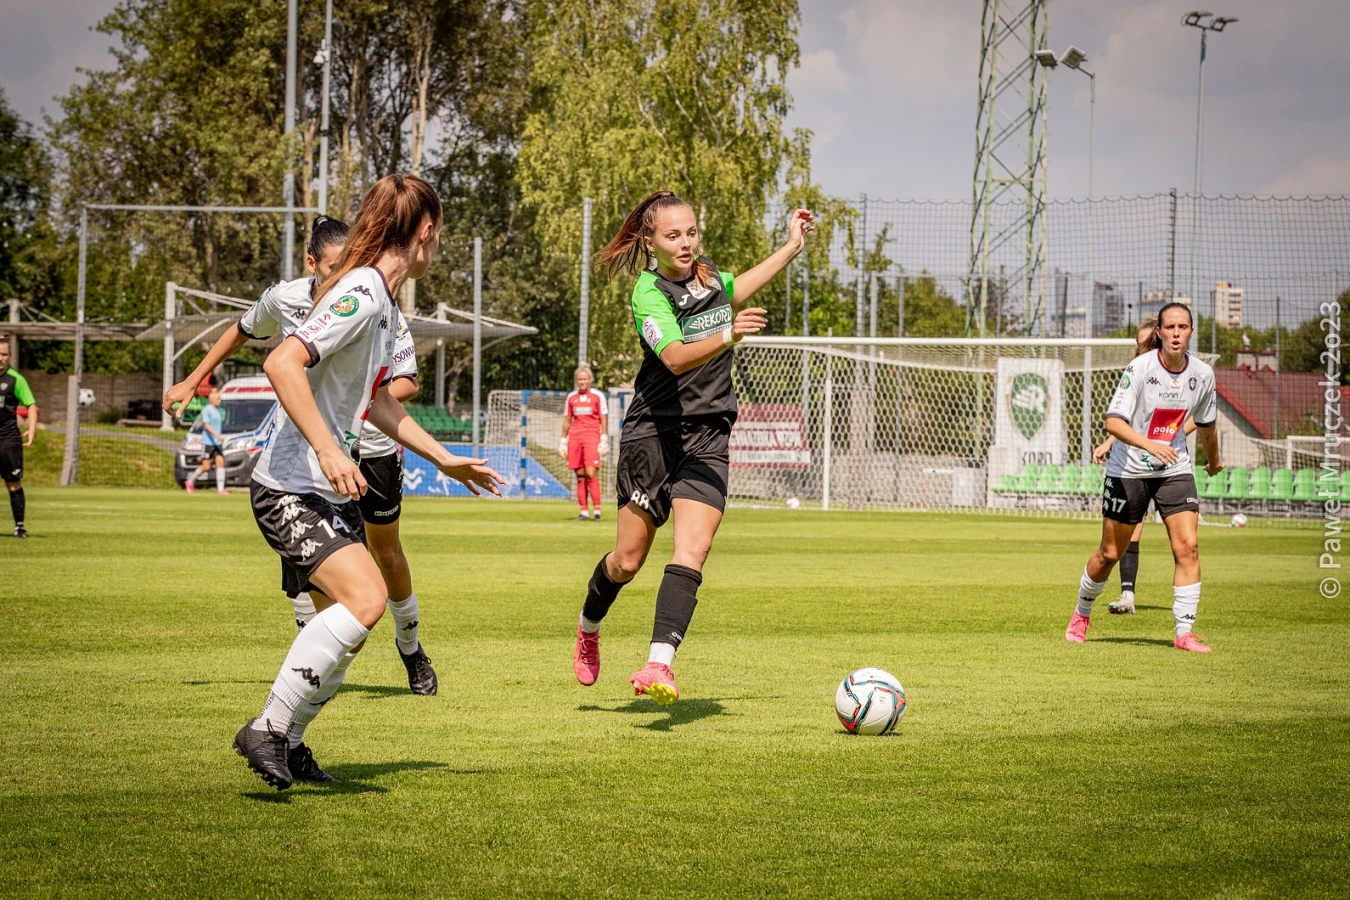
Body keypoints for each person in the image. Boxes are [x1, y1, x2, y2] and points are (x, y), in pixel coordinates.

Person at [231, 174, 504, 790]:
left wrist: (444, 458)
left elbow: (378, 399)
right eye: (439, 233)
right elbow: (281, 361)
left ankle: (289, 742)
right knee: (366, 600)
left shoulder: (381, 298)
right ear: (426, 232)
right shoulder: (362, 290)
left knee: (352, 624)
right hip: (290, 486)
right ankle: (267, 729)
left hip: (322, 491)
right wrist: (329, 449)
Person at [166, 217, 439, 697]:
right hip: (310, 456)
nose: (342, 275)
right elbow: (244, 332)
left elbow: (401, 385)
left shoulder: (375, 301)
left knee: (385, 559)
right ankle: (298, 689)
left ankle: (410, 648)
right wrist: (193, 379)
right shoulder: (286, 298)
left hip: (370, 450)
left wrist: (357, 404)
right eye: (333, 266)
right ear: (311, 263)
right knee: (331, 589)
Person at [571, 191, 815, 703]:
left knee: (693, 550)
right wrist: (729, 335)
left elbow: (741, 285)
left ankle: (658, 664)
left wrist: (792, 246)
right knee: (627, 562)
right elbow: (676, 357)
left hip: (708, 435)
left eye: (691, 232)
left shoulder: (709, 277)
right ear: (650, 242)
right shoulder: (648, 293)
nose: (686, 243)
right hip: (653, 435)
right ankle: (589, 625)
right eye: (673, 235)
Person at [1066, 302, 1222, 653]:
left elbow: (1207, 426)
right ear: (1160, 332)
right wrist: (1150, 445)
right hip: (1129, 470)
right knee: (1109, 553)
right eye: (1170, 327)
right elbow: (1113, 422)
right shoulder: (1140, 367)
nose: (1177, 333)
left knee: (1188, 547)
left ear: (1191, 331)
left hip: (1174, 469)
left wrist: (1213, 462)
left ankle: (1184, 633)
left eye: (1183, 327)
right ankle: (1082, 612)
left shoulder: (1203, 374)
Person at [1090, 321, 1198, 615]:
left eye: (1146, 342)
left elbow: (1198, 417)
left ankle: (1185, 622)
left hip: (1168, 467)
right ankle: (1127, 595)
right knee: (1125, 538)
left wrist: (1170, 438)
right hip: (1132, 467)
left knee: (1186, 545)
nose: (1142, 348)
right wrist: (1110, 442)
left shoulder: (1185, 377)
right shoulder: (1137, 373)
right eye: (1139, 343)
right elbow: (1127, 421)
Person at [559, 364, 609, 521]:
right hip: (575, 438)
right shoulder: (571, 397)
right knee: (580, 475)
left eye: (585, 379)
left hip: (592, 437)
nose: (582, 382)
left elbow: (603, 418)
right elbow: (568, 419)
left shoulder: (598, 396)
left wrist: (604, 438)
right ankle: (584, 511)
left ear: (590, 380)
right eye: (580, 379)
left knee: (591, 473)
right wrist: (562, 440)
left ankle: (597, 510)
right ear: (576, 381)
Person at [0, 340, 37, 538]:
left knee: (13, 482)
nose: (0, 358)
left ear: (9, 356)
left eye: (4, 354)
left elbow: (31, 404)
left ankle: (19, 526)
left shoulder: (16, 380)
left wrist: (31, 429)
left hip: (8, 439)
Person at [186, 388, 228, 495]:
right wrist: (217, 436)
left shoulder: (218, 410)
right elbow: (206, 425)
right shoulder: (206, 410)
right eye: (218, 399)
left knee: (220, 463)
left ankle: (220, 489)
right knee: (206, 466)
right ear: (212, 399)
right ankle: (190, 481)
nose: (220, 401)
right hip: (208, 442)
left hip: (217, 443)